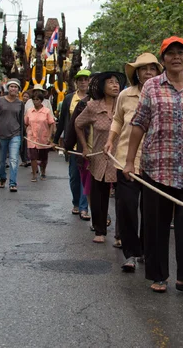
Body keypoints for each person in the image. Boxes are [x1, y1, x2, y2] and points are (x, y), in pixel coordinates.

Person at [124, 36, 183, 296]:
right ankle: (158, 275)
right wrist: (130, 161)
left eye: (180, 52)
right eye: (170, 53)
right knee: (156, 226)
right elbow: (139, 124)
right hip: (157, 168)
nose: (176, 57)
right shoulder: (151, 86)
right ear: (163, 60)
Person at [104, 53, 162, 271]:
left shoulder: (162, 96)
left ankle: (146, 250)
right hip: (124, 161)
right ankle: (130, 253)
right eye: (144, 68)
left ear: (158, 72)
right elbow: (118, 119)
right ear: (136, 73)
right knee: (127, 207)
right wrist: (110, 140)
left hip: (154, 162)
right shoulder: (125, 95)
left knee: (151, 211)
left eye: (152, 69)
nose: (148, 72)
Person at [75, 72, 124, 244]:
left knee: (123, 198)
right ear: (102, 87)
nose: (115, 85)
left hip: (122, 158)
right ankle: (100, 230)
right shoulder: (93, 106)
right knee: (99, 196)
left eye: (117, 82)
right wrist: (85, 147)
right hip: (99, 157)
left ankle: (120, 235)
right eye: (110, 83)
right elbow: (78, 124)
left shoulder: (124, 104)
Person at [54, 69, 91, 219]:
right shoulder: (69, 99)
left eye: (85, 79)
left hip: (89, 146)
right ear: (76, 82)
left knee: (86, 177)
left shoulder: (94, 99)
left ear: (89, 82)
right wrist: (55, 140)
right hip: (73, 146)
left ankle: (84, 207)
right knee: (74, 177)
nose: (83, 82)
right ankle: (76, 202)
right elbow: (63, 121)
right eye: (80, 80)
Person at [0, 78, 24, 192]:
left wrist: (22, 136)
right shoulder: (0, 101)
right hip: (1, 135)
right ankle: (2, 178)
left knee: (14, 159)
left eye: (16, 87)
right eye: (11, 86)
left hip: (15, 134)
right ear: (7, 88)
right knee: (1, 161)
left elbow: (21, 121)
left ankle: (13, 183)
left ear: (18, 90)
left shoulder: (20, 103)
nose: (13, 89)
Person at [24, 90, 56, 182]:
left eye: (37, 99)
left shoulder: (46, 111)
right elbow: (26, 123)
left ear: (41, 100)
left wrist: (50, 136)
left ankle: (43, 171)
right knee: (33, 156)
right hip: (31, 137)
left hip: (43, 137)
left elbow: (51, 124)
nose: (35, 101)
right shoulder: (29, 111)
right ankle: (34, 174)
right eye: (33, 99)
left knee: (43, 157)